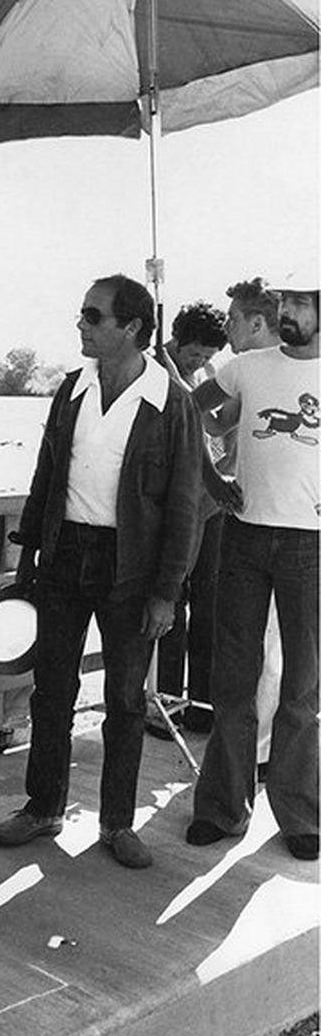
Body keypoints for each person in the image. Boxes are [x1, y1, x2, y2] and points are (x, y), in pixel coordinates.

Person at [0, 275, 203, 868]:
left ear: (131, 327)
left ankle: (116, 823)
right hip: (64, 560)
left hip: (131, 569)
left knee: (126, 701)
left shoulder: (171, 402)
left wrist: (167, 593)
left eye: (93, 315)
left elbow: (185, 505)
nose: (80, 323)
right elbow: (46, 471)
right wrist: (30, 550)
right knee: (51, 690)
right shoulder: (71, 389)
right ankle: (43, 808)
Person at [187, 276, 319, 861]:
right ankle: (222, 807)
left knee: (303, 688)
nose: (288, 310)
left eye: (301, 302)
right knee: (233, 679)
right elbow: (189, 415)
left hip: (311, 547)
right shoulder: (247, 367)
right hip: (243, 537)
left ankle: (299, 814)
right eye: (285, 300)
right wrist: (214, 480)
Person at [203, 278, 282, 773]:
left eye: (233, 318)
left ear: (256, 323)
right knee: (259, 649)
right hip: (256, 525)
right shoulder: (245, 372)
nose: (226, 326)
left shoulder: (267, 366)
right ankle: (254, 756)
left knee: (272, 650)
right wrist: (213, 476)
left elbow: (202, 419)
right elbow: (212, 421)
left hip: (289, 531)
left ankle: (262, 754)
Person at [150, 300, 228, 734]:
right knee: (171, 602)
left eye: (207, 356)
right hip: (177, 501)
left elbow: (216, 423)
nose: (199, 361)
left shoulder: (209, 375)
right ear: (176, 337)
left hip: (212, 501)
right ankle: (166, 705)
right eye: (193, 352)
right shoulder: (154, 367)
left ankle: (202, 704)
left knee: (209, 603)